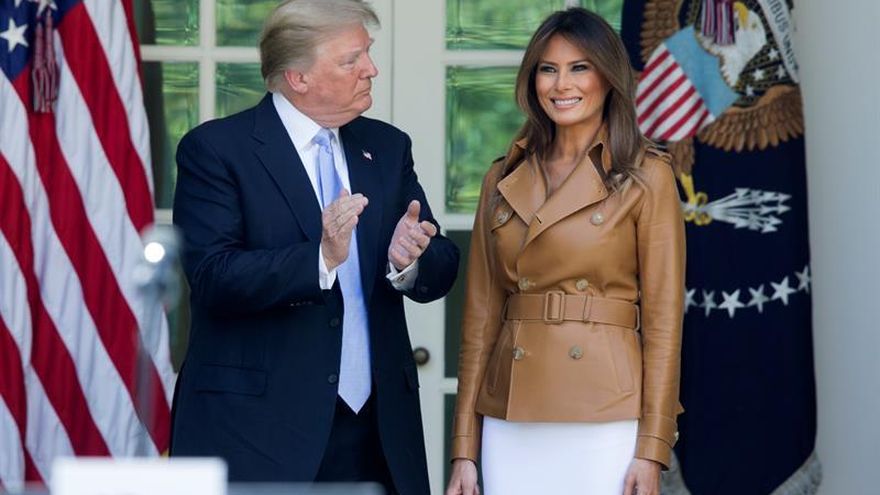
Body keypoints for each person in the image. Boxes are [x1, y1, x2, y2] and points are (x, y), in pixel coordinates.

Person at [169, 1, 459, 493]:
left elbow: (441, 263)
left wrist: (409, 261)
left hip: (377, 434)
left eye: (367, 53)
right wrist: (319, 258)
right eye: (351, 60)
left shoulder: (387, 147)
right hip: (258, 433)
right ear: (297, 77)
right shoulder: (216, 150)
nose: (371, 69)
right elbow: (214, 278)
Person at [446, 7, 685, 495]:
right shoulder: (502, 177)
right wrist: (464, 448)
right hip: (511, 412)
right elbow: (480, 320)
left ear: (608, 77)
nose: (561, 85)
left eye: (579, 68)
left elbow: (664, 325)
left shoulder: (647, 175)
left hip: (606, 412)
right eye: (548, 69)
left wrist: (652, 446)